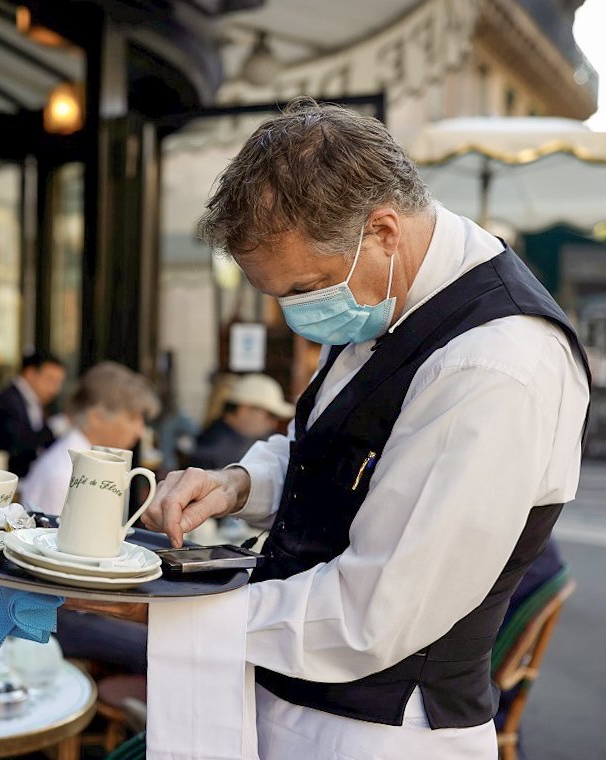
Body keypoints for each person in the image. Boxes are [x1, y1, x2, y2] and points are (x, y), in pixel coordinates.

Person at [142, 99, 590, 757]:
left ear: (382, 230)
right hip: (293, 698)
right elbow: (343, 447)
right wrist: (239, 482)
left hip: (377, 734)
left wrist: (169, 615)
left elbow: (374, 614)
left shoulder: (495, 365)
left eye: (305, 287)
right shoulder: (382, 293)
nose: (297, 314)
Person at [17, 361, 161, 674]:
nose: (139, 430)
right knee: (164, 644)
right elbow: (58, 573)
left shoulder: (87, 461)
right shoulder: (65, 471)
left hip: (74, 603)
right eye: (133, 417)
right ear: (97, 414)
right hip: (54, 612)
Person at [19, 361, 161, 516]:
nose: (140, 432)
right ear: (96, 417)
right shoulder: (66, 476)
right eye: (133, 418)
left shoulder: (76, 465)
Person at [0, 351, 66, 477]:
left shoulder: (33, 401)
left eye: (58, 383)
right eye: (50, 380)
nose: (55, 389)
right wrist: (55, 426)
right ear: (30, 374)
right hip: (4, 479)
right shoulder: (8, 400)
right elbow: (16, 445)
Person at [187, 373, 293, 470]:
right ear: (244, 409)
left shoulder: (224, 439)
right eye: (270, 415)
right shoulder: (214, 452)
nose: (273, 423)